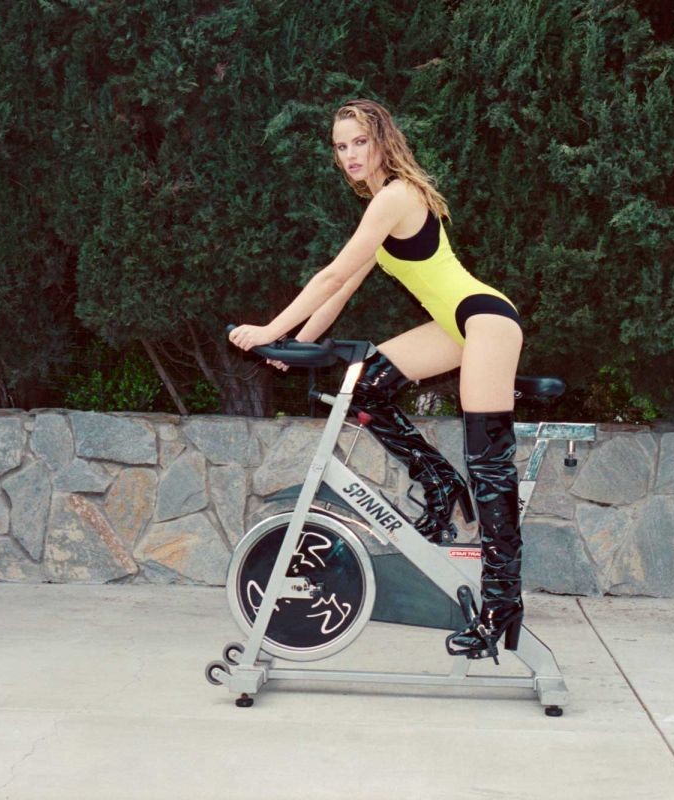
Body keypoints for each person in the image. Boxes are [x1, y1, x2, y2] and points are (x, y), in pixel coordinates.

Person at [228, 99, 525, 662]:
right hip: (453, 324)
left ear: (383, 141)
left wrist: (269, 328)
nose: (349, 155)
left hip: (485, 319)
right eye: (341, 147)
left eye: (359, 142)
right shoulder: (381, 203)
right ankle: (440, 484)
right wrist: (298, 346)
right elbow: (343, 288)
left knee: (490, 467)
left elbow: (331, 273)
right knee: (366, 388)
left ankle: (501, 604)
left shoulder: (396, 196)